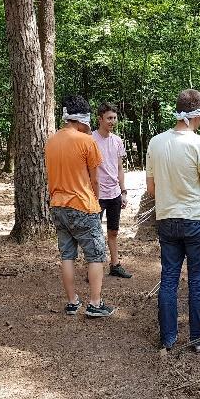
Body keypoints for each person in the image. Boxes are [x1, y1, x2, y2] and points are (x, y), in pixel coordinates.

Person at [146, 89, 200, 353]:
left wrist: (170, 198)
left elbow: (151, 188)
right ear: (199, 113)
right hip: (196, 219)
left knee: (169, 278)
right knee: (197, 281)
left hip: (167, 219)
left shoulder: (156, 142)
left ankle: (168, 338)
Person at [45, 95, 115, 318]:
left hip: (58, 205)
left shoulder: (52, 141)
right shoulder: (87, 141)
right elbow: (95, 179)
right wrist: (95, 200)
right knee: (95, 255)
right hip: (83, 204)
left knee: (67, 255)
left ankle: (72, 301)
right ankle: (95, 303)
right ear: (83, 119)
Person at [93, 102, 132, 279]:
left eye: (114, 118)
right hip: (96, 194)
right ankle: (94, 267)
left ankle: (115, 264)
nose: (112, 121)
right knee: (94, 233)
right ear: (100, 119)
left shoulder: (117, 140)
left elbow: (119, 167)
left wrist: (123, 191)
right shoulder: (90, 140)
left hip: (114, 193)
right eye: (109, 118)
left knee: (113, 231)